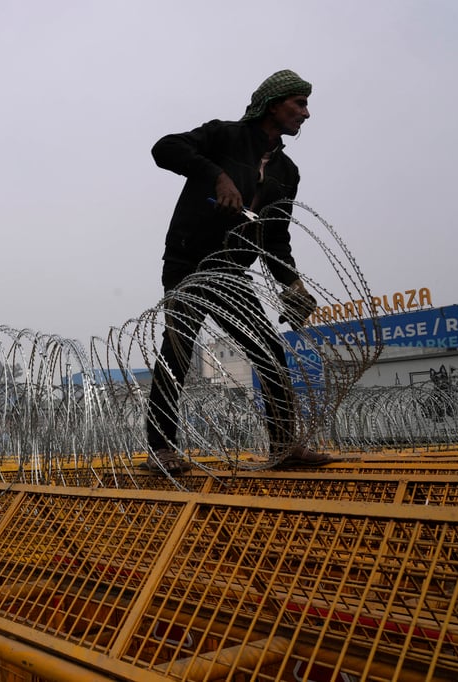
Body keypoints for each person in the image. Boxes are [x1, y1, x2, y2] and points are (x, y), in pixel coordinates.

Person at [144, 69, 332, 474]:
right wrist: (218, 175)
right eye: (298, 104)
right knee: (178, 350)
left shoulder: (287, 172)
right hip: (189, 262)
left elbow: (275, 236)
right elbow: (165, 148)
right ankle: (160, 450)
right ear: (272, 103)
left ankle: (284, 446)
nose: (306, 113)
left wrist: (293, 285)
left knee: (269, 349)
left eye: (305, 104)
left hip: (232, 271)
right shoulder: (223, 136)